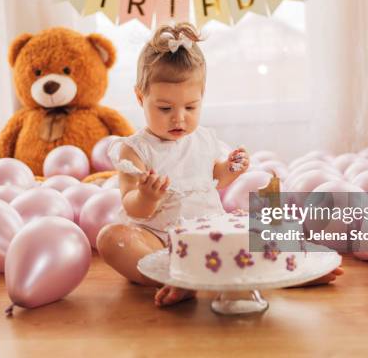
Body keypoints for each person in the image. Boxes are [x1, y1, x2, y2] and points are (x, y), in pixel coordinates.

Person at [96, 22, 342, 307]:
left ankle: (292, 269)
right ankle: (176, 278)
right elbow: (130, 204)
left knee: (262, 223)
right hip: (159, 240)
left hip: (209, 234)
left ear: (202, 98)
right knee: (112, 239)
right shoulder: (134, 150)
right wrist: (146, 197)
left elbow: (215, 179)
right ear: (141, 97)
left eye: (190, 107)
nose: (179, 118)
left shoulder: (202, 140)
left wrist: (230, 169)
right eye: (165, 108)